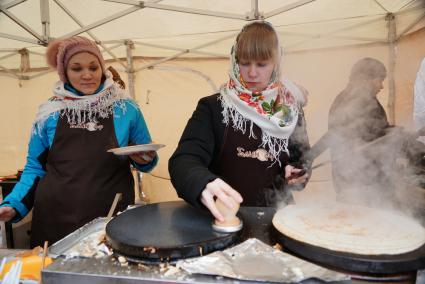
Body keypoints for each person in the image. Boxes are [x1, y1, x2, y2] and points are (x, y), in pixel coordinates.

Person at [0, 36, 157, 247]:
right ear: (64, 72)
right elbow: (34, 168)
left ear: (102, 68)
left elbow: (146, 157)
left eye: (94, 67)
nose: (87, 75)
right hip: (54, 218)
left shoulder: (126, 108)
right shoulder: (49, 112)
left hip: (109, 216)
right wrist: (15, 204)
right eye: (76, 69)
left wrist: (145, 158)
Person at [168, 22, 310, 222]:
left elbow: (302, 159)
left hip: (279, 218)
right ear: (235, 61)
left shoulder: (290, 111)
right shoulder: (214, 107)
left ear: (276, 63)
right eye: (245, 63)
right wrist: (202, 183)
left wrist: (299, 173)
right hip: (224, 219)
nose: (252, 73)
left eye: (262, 64)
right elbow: (184, 160)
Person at [327, 57, 396, 203]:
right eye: (379, 79)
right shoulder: (361, 101)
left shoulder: (344, 97)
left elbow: (376, 132)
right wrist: (396, 134)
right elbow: (378, 138)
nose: (381, 86)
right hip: (362, 182)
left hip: (350, 180)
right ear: (366, 79)